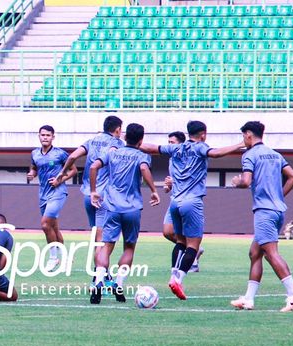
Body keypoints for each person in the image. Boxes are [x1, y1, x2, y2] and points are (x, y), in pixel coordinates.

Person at [140, 120, 243, 300]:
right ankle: (178, 280)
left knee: (180, 241)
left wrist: (131, 143)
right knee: (193, 246)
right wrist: (240, 144)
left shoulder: (176, 149)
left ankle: (174, 276)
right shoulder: (201, 147)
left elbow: (151, 147)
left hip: (175, 202)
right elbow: (216, 153)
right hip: (192, 202)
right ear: (203, 134)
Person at [230, 121, 293, 312]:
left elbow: (246, 181)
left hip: (264, 211)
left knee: (271, 253)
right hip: (278, 210)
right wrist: (278, 196)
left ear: (248, 135)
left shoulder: (249, 155)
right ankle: (248, 299)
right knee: (255, 253)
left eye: (243, 137)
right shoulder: (275, 154)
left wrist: (237, 182)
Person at [89, 123, 159, 304]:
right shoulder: (142, 156)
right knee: (129, 247)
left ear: (125, 136)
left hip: (111, 206)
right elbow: (144, 169)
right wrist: (153, 190)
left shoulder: (112, 152)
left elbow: (93, 167)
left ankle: (98, 281)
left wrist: (94, 190)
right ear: (141, 140)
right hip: (132, 208)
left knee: (106, 246)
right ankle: (118, 284)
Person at [57, 115, 123, 264]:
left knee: (96, 235)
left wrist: (62, 172)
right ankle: (99, 275)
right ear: (118, 129)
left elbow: (73, 156)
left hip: (87, 194)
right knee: (102, 238)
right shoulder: (117, 143)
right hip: (102, 196)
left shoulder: (91, 141)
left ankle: (99, 272)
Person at [27, 125, 76, 271]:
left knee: (45, 225)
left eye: (48, 135)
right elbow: (34, 167)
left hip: (58, 192)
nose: (45, 137)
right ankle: (66, 257)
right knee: (53, 227)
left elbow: (73, 171)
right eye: (43, 135)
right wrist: (32, 174)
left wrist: (59, 180)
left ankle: (53, 258)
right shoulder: (34, 153)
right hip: (43, 193)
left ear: (53, 137)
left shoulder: (60, 154)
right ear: (39, 136)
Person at [161, 131, 203, 273]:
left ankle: (192, 258)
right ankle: (194, 250)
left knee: (184, 238)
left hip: (188, 200)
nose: (169, 145)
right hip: (175, 199)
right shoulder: (172, 159)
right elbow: (169, 186)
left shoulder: (190, 157)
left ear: (181, 144)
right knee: (167, 232)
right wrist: (168, 186)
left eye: (172, 143)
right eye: (168, 142)